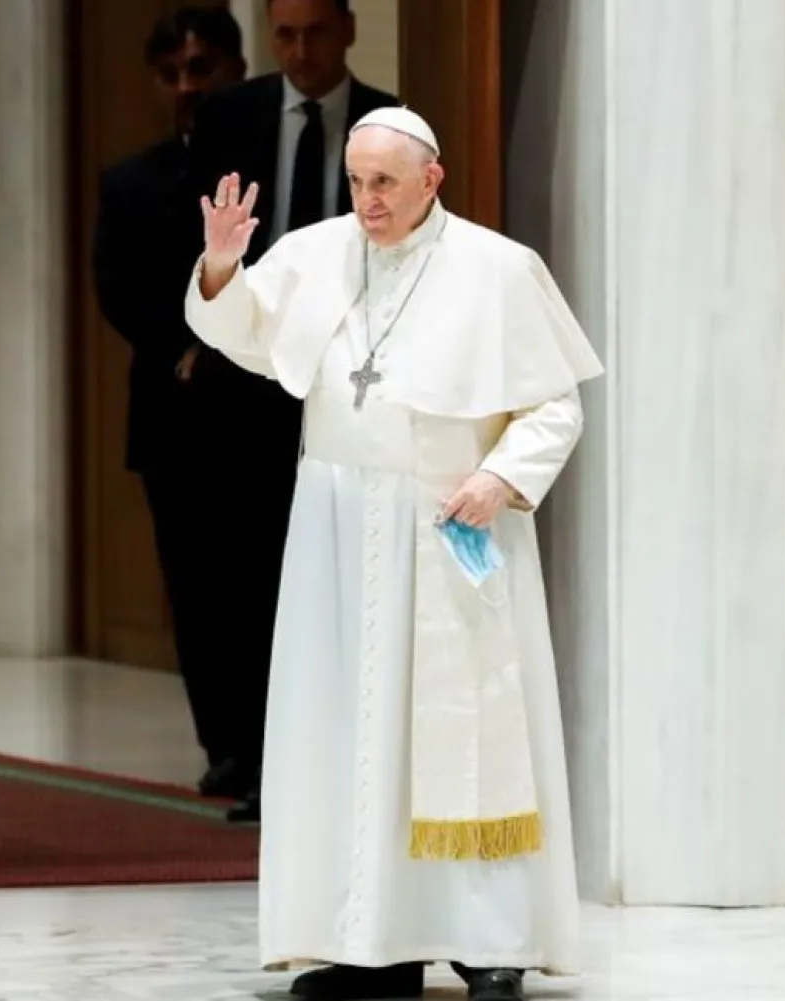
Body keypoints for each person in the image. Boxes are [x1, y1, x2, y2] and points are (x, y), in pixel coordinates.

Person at [183, 108, 602, 1001]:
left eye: (384, 183)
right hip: (335, 530)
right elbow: (244, 330)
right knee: (345, 733)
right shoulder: (318, 253)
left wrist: (498, 476)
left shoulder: (497, 269)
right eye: (356, 180)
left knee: (464, 737)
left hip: (447, 526)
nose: (366, 200)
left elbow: (556, 405)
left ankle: (490, 943)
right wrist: (221, 264)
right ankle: (368, 946)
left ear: (431, 179)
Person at [189, 0, 400, 824]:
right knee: (246, 581)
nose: (302, 49)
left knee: (340, 582)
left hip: (358, 387)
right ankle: (255, 759)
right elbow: (198, 244)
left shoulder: (389, 123)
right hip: (246, 384)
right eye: (285, 34)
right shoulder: (228, 118)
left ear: (348, 29)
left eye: (316, 31)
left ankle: (351, 759)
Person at [91, 7, 251, 799]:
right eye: (173, 73)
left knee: (259, 583)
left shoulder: (262, 162)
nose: (188, 87)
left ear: (236, 69)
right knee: (193, 588)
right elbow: (118, 288)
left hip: (257, 410)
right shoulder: (131, 180)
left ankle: (270, 743)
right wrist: (184, 346)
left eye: (202, 69)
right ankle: (223, 743)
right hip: (172, 411)